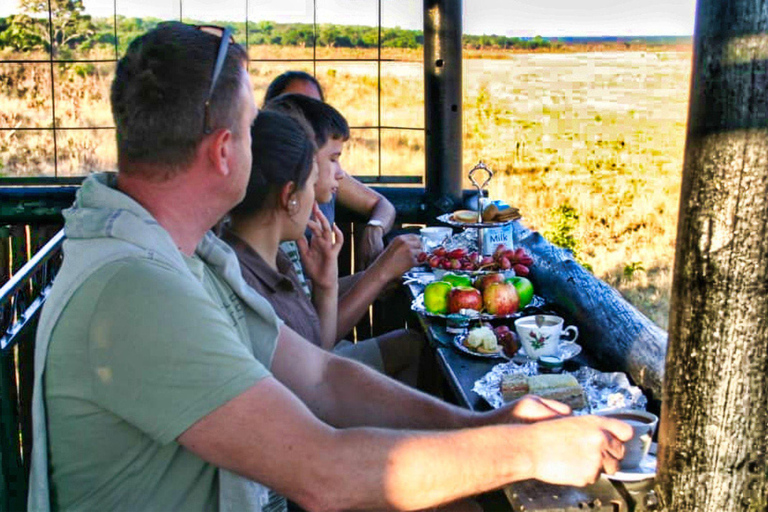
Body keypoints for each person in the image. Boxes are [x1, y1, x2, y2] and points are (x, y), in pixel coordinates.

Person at [29, 22, 633, 512]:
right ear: (222, 152)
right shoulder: (137, 290)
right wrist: (526, 453)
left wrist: (486, 424)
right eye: (248, 127)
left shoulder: (181, 254)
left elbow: (319, 376)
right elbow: (324, 474)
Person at [221, 109, 423, 384]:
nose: (316, 200)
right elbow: (313, 377)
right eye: (311, 182)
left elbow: (316, 346)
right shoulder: (248, 281)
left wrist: (327, 286)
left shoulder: (275, 259)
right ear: (290, 196)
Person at [264, 93, 423, 346]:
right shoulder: (273, 239)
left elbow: (302, 295)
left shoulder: (281, 239)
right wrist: (378, 274)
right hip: (304, 369)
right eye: (333, 159)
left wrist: (376, 267)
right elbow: (317, 346)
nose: (340, 174)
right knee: (410, 346)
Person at [264, 70, 396, 268]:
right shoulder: (267, 196)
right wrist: (381, 274)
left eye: (315, 109)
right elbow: (301, 296)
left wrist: (373, 230)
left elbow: (381, 204)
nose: (309, 120)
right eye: (295, 108)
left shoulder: (327, 177)